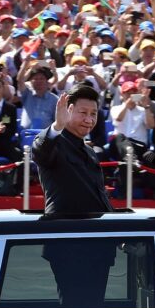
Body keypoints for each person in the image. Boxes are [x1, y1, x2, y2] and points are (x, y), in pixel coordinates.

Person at [32, 83, 113, 215]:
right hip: (65, 229)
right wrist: (58, 125)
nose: (89, 120)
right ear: (68, 110)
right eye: (83, 113)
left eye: (93, 114)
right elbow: (40, 152)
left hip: (93, 229)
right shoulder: (54, 142)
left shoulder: (90, 151)